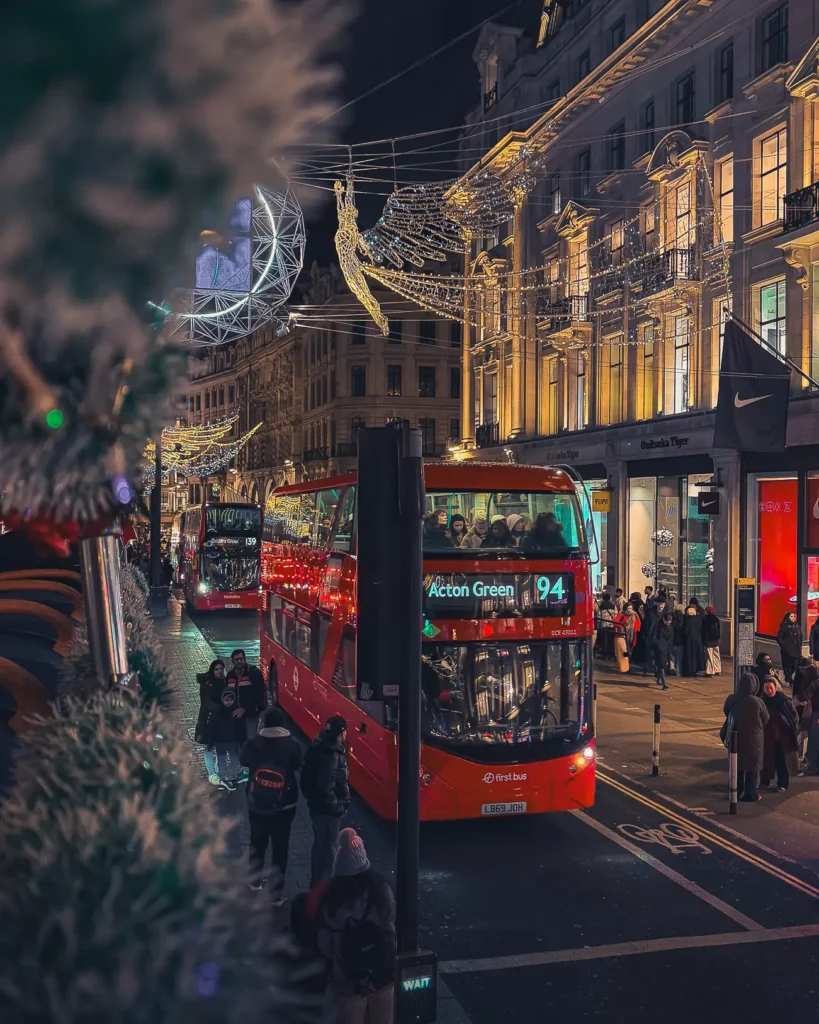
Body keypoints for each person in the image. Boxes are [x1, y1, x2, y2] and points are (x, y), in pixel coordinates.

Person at [309, 829, 396, 1024]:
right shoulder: (381, 891)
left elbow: (325, 945)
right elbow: (391, 927)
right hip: (382, 974)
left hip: (347, 979)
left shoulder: (330, 901)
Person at [240, 707, 303, 904]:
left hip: (257, 804)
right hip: (284, 806)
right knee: (280, 848)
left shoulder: (254, 743)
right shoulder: (292, 744)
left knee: (257, 842)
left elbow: (243, 760)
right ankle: (276, 893)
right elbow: (297, 765)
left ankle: (254, 881)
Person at [302, 715, 351, 888]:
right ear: (342, 733)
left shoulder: (318, 743)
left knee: (320, 847)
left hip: (316, 806)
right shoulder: (332, 755)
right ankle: (322, 888)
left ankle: (317, 884)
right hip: (327, 811)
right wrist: (338, 808)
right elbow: (327, 788)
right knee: (328, 850)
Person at [199, 660, 244, 791]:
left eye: (221, 668)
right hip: (209, 719)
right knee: (209, 747)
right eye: (216, 669)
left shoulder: (225, 682)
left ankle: (220, 773)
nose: (219, 671)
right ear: (212, 670)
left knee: (220, 750)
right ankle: (212, 773)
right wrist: (221, 708)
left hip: (222, 720)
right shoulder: (207, 684)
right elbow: (206, 702)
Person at [723, 673, 769, 801]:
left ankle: (736, 790)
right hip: (754, 737)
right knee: (752, 766)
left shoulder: (732, 698)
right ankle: (750, 793)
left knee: (737, 763)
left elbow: (726, 711)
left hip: (735, 736)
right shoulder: (757, 702)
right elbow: (766, 718)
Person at [760, 679, 800, 791]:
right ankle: (765, 782)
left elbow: (794, 717)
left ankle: (782, 783)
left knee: (781, 761)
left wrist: (792, 730)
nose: (769, 691)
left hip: (782, 737)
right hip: (769, 738)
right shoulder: (763, 701)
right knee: (767, 761)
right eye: (766, 688)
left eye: (771, 688)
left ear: (775, 687)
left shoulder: (784, 701)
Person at [227, 648, 267, 744]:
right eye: (236, 660)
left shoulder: (254, 673)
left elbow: (259, 693)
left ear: (245, 659)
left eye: (241, 659)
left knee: (250, 740)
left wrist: (245, 707)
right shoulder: (230, 675)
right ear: (232, 661)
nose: (239, 661)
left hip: (251, 713)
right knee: (238, 740)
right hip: (236, 714)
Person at [776, 611, 802, 686]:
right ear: (788, 617)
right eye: (791, 616)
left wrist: (800, 645)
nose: (793, 618)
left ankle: (792, 680)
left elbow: (800, 636)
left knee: (795, 666)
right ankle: (790, 681)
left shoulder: (797, 626)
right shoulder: (784, 626)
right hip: (787, 651)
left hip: (796, 650)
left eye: (794, 616)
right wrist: (784, 646)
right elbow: (779, 638)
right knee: (788, 666)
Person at [651, 611, 674, 690]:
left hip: (667, 648)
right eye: (667, 621)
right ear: (663, 620)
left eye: (669, 621)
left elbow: (671, 637)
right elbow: (654, 637)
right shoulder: (658, 626)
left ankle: (659, 679)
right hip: (660, 648)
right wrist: (656, 645)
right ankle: (664, 683)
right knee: (662, 665)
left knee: (662, 665)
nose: (668, 623)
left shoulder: (670, 627)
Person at [682, 598, 705, 677]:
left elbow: (686, 630)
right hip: (697, 639)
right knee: (696, 655)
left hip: (689, 640)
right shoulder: (699, 619)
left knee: (690, 655)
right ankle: (696, 670)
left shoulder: (687, 620)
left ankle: (690, 670)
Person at [702, 606, 722, 677]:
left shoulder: (706, 619)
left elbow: (704, 630)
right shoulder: (716, 619)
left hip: (709, 640)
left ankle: (710, 671)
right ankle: (718, 669)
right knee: (716, 655)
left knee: (709, 656)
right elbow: (719, 630)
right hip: (716, 640)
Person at [596, 593, 616, 659]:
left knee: (604, 640)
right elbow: (616, 615)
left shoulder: (601, 606)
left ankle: (605, 654)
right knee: (611, 640)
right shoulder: (613, 606)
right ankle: (611, 654)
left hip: (603, 625)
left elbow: (598, 616)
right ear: (609, 598)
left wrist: (598, 624)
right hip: (611, 625)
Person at [671, 603, 685, 676]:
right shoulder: (684, 618)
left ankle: (672, 668)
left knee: (672, 655)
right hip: (681, 640)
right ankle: (678, 672)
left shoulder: (673, 617)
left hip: (673, 639)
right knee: (679, 657)